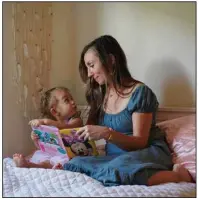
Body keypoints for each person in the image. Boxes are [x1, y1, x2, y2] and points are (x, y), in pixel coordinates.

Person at [60, 35, 192, 186]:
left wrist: (107, 133)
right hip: (116, 158)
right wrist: (54, 136)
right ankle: (112, 172)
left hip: (145, 152)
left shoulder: (140, 93)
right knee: (75, 164)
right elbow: (85, 137)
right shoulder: (100, 94)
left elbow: (140, 142)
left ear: (110, 60)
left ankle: (178, 176)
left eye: (91, 65)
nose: (89, 73)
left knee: (116, 170)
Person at [13, 86, 83, 169]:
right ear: (54, 111)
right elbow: (44, 147)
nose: (73, 102)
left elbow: (66, 127)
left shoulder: (76, 120)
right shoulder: (49, 127)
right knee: (40, 155)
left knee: (64, 160)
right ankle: (31, 165)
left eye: (71, 98)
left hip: (71, 154)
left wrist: (45, 121)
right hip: (54, 154)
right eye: (66, 100)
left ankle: (46, 166)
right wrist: (36, 140)